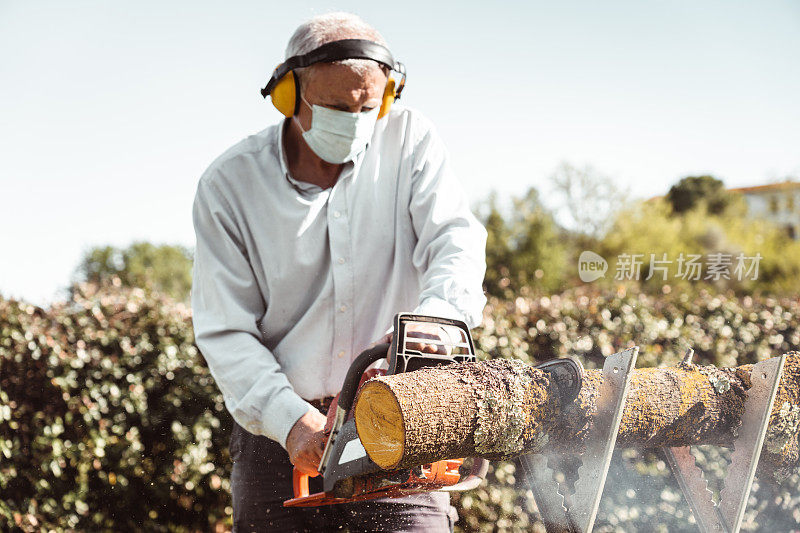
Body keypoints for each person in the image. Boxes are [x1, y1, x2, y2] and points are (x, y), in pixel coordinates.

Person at [191, 12, 487, 532]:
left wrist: (419, 342)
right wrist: (291, 423)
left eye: (366, 106)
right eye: (333, 107)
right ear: (288, 95)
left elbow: (455, 246)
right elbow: (225, 329)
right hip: (277, 441)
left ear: (387, 98)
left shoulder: (411, 142)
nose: (352, 118)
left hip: (397, 423)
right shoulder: (229, 185)